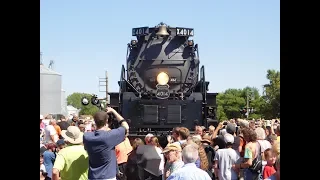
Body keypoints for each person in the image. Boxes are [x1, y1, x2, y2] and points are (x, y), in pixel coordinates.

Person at [83, 107, 129, 180]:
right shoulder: (109, 136)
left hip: (92, 177)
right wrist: (114, 111)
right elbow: (126, 126)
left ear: (95, 121)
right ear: (106, 121)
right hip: (108, 177)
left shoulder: (87, 136)